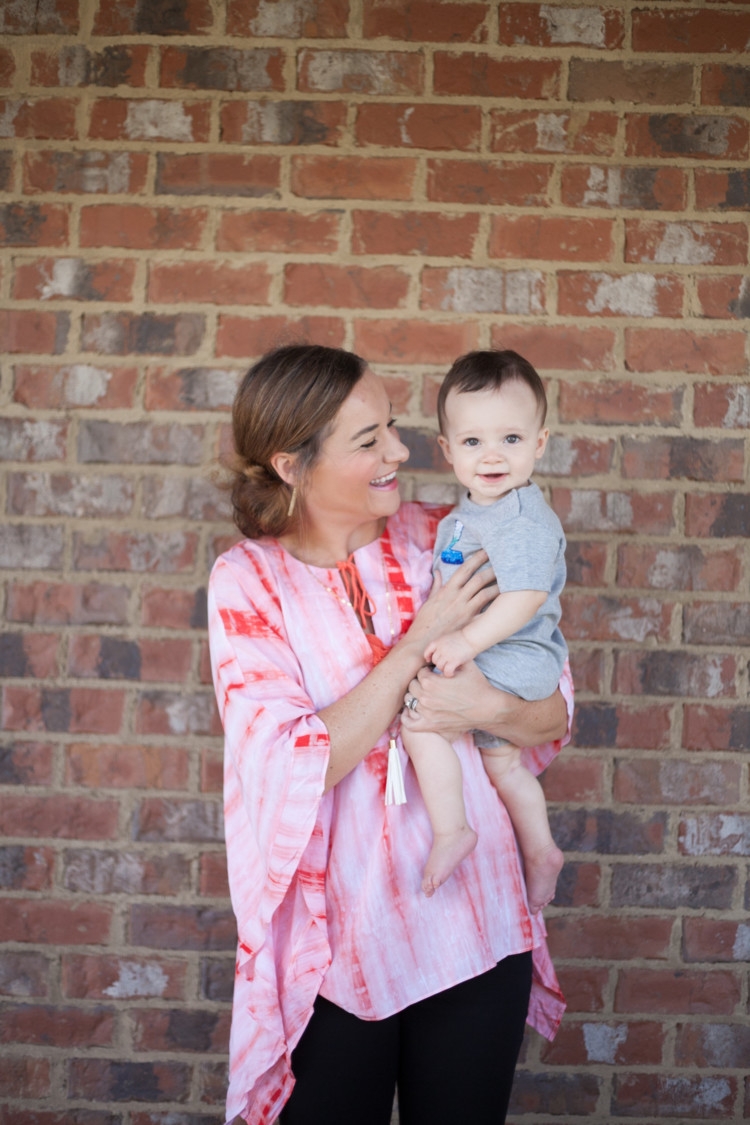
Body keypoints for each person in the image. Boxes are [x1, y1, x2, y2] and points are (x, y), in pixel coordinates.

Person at [207, 344, 574, 1125]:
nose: (399, 451)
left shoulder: (445, 534)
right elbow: (297, 759)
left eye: (396, 428)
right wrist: (418, 645)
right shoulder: (247, 584)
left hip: (475, 924)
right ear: (293, 463)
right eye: (368, 438)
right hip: (339, 946)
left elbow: (549, 712)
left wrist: (472, 705)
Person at [401, 350, 566, 909]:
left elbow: (525, 598)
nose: (492, 455)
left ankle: (453, 831)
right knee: (503, 763)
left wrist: (464, 641)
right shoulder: (469, 514)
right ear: (447, 450)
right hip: (510, 656)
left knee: (421, 725)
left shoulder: (520, 518)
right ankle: (541, 850)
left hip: (513, 654)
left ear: (539, 443)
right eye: (473, 442)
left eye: (511, 440)